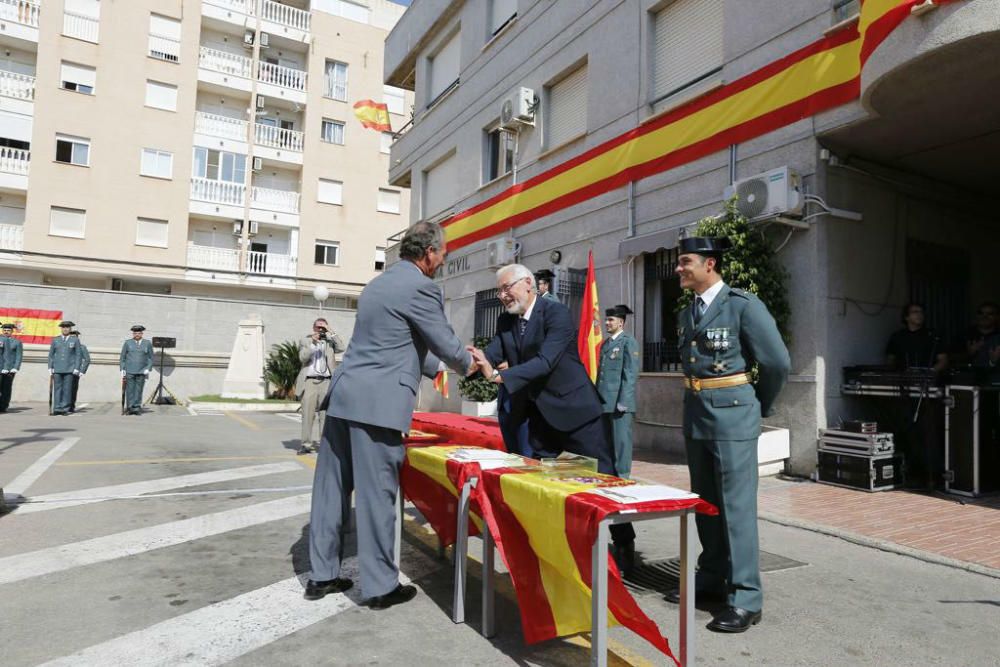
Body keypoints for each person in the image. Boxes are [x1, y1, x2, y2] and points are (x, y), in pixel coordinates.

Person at [306, 221, 477, 608]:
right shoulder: (421, 287)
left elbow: (394, 339)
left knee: (330, 491)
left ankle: (321, 576)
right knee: (376, 495)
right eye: (443, 254)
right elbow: (444, 342)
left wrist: (435, 368)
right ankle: (381, 586)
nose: (443, 260)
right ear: (429, 253)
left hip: (345, 396)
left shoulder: (377, 284)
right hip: (378, 405)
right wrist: (472, 363)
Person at [471, 263, 636, 572]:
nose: (503, 295)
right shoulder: (506, 321)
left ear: (529, 285)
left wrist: (496, 376)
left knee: (605, 480)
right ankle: (546, 543)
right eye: (500, 290)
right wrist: (468, 360)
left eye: (508, 287)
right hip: (540, 416)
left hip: (576, 411)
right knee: (538, 481)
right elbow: (492, 351)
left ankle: (624, 541)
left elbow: (545, 361)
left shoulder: (555, 314)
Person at [666, 236, 790, 634]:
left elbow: (776, 362)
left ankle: (746, 598)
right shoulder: (688, 313)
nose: (679, 268)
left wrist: (759, 407)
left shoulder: (742, 305)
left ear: (710, 264)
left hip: (733, 417)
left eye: (685, 262)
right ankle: (712, 576)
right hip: (698, 417)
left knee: (736, 510)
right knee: (706, 504)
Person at [596, 305, 640, 478]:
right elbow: (601, 375)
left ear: (621, 322)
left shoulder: (628, 341)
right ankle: (608, 475)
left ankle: (622, 476)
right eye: (606, 319)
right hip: (604, 402)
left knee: (621, 443)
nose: (606, 322)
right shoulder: (606, 344)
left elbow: (630, 374)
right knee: (606, 443)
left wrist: (623, 401)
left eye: (610, 320)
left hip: (619, 404)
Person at [295, 317, 345, 455]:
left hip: (326, 382)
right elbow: (302, 358)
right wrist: (313, 343)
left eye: (323, 327)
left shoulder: (329, 342)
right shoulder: (305, 340)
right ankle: (306, 444)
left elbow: (342, 347)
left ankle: (325, 445)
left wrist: (331, 332)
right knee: (307, 415)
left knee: (325, 416)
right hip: (310, 381)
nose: (320, 330)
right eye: (318, 327)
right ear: (313, 328)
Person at [885, 303, 946, 372]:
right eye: (915, 312)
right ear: (906, 317)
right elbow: (890, 360)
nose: (919, 314)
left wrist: (929, 373)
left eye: (921, 312)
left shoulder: (933, 335)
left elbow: (943, 360)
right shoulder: (897, 336)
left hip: (928, 379)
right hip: (903, 378)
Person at [48, 320, 82, 416]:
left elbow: (78, 355)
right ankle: (57, 408)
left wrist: (76, 367)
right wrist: (50, 367)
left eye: (67, 327)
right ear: (61, 329)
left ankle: (65, 408)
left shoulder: (75, 340)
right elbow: (51, 355)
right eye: (63, 327)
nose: (65, 329)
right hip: (57, 368)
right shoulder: (56, 340)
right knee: (57, 389)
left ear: (70, 329)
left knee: (67, 389)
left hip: (69, 368)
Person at [120, 325, 154, 416]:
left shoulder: (147, 343)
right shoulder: (128, 343)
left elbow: (151, 358)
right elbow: (122, 357)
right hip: (129, 370)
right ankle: (130, 407)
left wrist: (148, 368)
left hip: (142, 370)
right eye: (135, 333)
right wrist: (122, 369)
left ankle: (137, 407)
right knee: (130, 390)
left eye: (139, 333)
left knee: (139, 389)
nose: (137, 334)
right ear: (133, 334)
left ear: (142, 333)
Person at [959, 301, 1000, 368]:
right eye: (981, 313)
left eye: (990, 314)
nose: (984, 316)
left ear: (997, 316)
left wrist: (995, 361)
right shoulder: (966, 334)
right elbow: (951, 358)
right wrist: (969, 354)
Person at [0, 322, 23, 412]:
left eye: (8, 330)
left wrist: (15, 367)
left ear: (12, 331)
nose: (6, 332)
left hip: (10, 369)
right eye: (4, 330)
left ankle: (3, 406)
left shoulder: (16, 342)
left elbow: (18, 356)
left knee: (6, 388)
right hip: (1, 366)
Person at [68, 330, 91, 413]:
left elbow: (87, 360)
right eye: (71, 336)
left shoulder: (82, 347)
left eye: (75, 336)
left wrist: (82, 371)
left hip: (75, 372)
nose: (73, 338)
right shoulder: (66, 346)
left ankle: (71, 406)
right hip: (65, 370)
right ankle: (62, 406)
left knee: (72, 389)